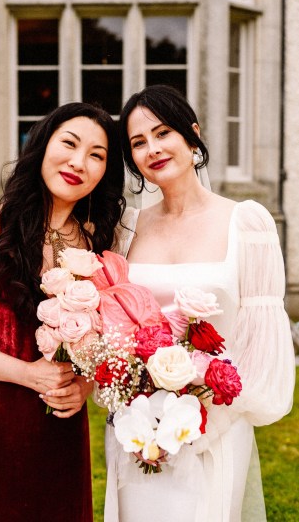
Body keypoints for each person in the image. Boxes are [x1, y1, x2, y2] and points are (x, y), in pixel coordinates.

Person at [0, 102, 125, 522]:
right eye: (69, 144)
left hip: (62, 434)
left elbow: (104, 343)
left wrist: (85, 388)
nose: (78, 162)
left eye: (97, 155)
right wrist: (27, 373)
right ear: (42, 146)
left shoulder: (97, 247)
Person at [104, 85, 295, 522]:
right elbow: (115, 321)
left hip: (216, 425)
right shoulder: (126, 228)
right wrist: (134, 400)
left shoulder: (247, 223)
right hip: (136, 424)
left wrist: (204, 413)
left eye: (162, 132)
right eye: (137, 143)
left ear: (192, 136)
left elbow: (262, 337)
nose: (152, 149)